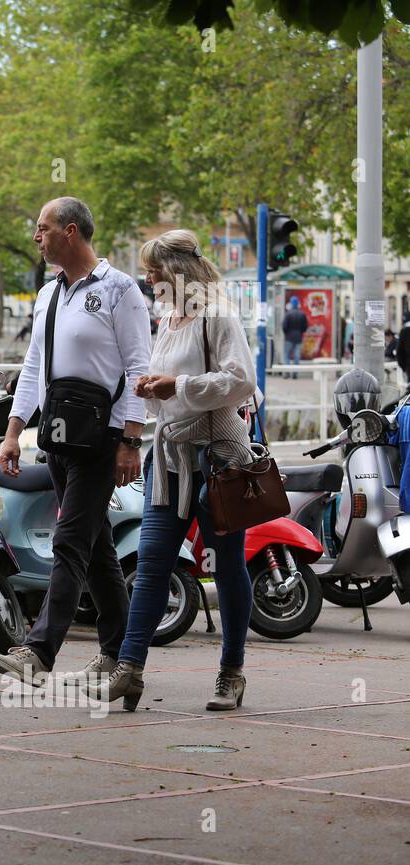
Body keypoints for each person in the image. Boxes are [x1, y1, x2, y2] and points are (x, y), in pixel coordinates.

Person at [0, 197, 150, 686]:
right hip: (58, 436)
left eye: (43, 228)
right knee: (96, 549)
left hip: (101, 439)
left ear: (71, 232)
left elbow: (139, 368)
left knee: (70, 542)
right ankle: (120, 655)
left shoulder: (121, 292)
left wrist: (130, 441)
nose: (37, 236)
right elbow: (34, 368)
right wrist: (14, 432)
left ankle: (37, 653)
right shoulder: (49, 292)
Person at [89, 229, 256, 712]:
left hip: (219, 460)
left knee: (226, 567)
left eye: (154, 270)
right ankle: (129, 671)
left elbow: (241, 380)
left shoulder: (219, 316)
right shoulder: (168, 319)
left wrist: (175, 385)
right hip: (170, 461)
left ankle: (231, 671)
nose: (148, 278)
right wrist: (151, 390)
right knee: (152, 564)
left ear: (178, 272)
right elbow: (173, 389)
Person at [282, 297, 308, 379]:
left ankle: (287, 373)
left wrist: (287, 333)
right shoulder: (302, 314)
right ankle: (295, 373)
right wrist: (300, 332)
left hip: (289, 338)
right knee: (297, 356)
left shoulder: (288, 314)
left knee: (287, 355)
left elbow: (284, 326)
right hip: (298, 338)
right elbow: (305, 327)